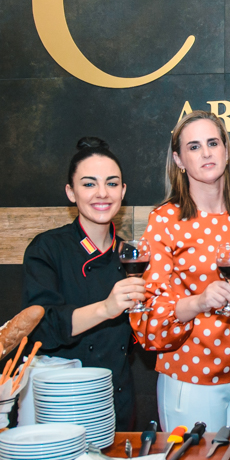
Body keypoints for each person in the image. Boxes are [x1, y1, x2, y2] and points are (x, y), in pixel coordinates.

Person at [130, 111, 230, 433]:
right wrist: (199, 302)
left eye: (213, 143)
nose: (206, 153)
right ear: (179, 160)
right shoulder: (165, 220)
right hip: (191, 378)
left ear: (226, 150)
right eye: (194, 147)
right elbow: (148, 313)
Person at [23, 137, 145, 429]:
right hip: (63, 402)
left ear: (123, 191)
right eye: (89, 184)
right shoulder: (48, 248)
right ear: (71, 192)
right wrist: (106, 308)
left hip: (117, 399)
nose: (102, 193)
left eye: (112, 183)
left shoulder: (130, 255)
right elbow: (41, 328)